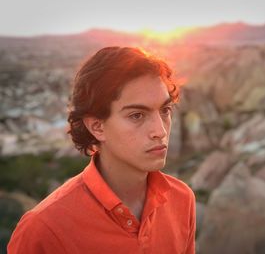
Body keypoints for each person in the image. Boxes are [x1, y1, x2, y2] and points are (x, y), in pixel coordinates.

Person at [8, 47, 196, 254]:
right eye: (136, 115)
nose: (160, 131)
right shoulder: (44, 229)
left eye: (165, 110)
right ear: (97, 127)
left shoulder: (181, 199)